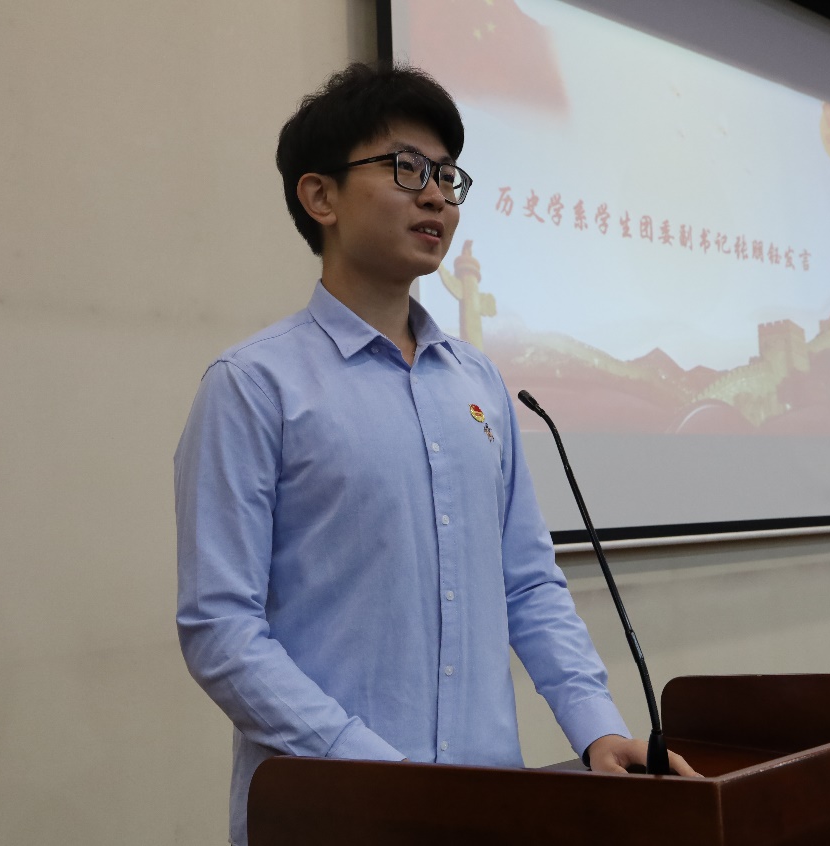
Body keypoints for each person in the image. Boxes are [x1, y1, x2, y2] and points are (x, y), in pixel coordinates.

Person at [174, 61, 695, 845]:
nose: (436, 197)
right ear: (319, 197)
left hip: (485, 803)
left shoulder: (478, 383)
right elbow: (220, 628)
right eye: (405, 169)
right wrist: (371, 768)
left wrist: (595, 725)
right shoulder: (253, 385)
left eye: (447, 176)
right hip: (333, 810)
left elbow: (527, 583)